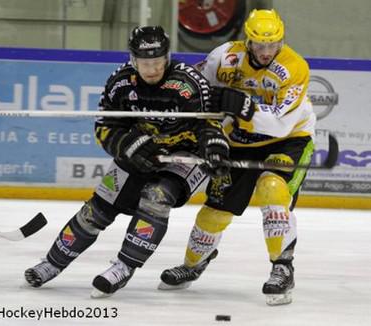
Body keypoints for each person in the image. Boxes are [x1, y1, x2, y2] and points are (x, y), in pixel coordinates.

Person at [24, 26, 230, 298]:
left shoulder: (189, 82)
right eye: (146, 63)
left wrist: (215, 148)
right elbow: (106, 128)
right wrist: (127, 145)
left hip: (183, 156)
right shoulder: (120, 82)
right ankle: (52, 263)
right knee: (97, 210)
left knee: (156, 197)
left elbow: (210, 126)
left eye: (158, 62)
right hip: (139, 152)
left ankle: (124, 266)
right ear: (133, 59)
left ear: (167, 58)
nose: (153, 69)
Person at [158, 9, 316, 306]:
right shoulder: (224, 57)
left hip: (289, 139)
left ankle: (282, 267)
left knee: (272, 188)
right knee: (214, 212)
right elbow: (196, 90)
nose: (266, 51)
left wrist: (242, 107)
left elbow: (281, 123)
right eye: (259, 44)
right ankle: (193, 265)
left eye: (273, 44)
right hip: (239, 141)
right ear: (248, 40)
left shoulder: (295, 67)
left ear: (282, 40)